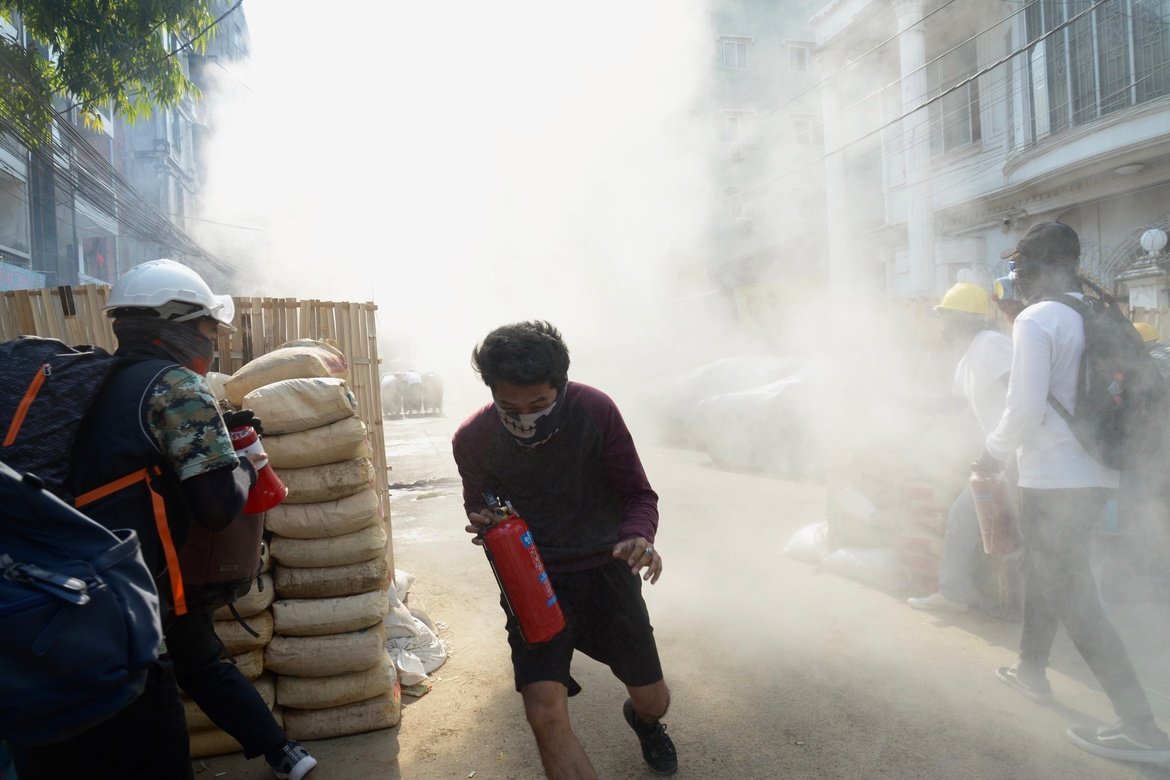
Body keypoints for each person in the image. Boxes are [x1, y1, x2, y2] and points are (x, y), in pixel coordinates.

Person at [12, 259, 315, 780]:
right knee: (153, 725)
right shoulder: (175, 386)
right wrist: (244, 462)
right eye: (209, 326)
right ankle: (281, 753)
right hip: (132, 589)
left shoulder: (96, 380)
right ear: (180, 325)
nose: (215, 338)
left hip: (60, 578)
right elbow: (218, 508)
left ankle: (279, 750)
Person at [978, 223, 1170, 764]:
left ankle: (1141, 725)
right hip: (1098, 473)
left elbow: (1022, 407)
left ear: (1035, 270)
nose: (1018, 282)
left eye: (1020, 271)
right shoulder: (1097, 313)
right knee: (1051, 574)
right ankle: (1031, 670)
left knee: (1072, 593)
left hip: (1051, 477)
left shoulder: (1038, 319)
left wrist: (992, 454)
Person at [451, 320, 677, 778]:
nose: (525, 416)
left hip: (605, 571)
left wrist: (638, 535)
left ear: (562, 385)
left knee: (653, 698)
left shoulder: (595, 411)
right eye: (508, 405)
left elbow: (638, 495)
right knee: (544, 713)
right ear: (491, 391)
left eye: (538, 403)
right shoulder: (473, 438)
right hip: (532, 579)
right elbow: (480, 502)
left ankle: (646, 724)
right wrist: (488, 523)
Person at [908, 282, 1012, 613]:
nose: (942, 324)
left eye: (946, 317)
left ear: (963, 320)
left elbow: (1024, 391)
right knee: (978, 522)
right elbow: (952, 406)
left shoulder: (990, 345)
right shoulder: (968, 358)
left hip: (1016, 455)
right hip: (1003, 455)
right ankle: (974, 595)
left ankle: (955, 595)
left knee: (965, 516)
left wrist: (1001, 445)